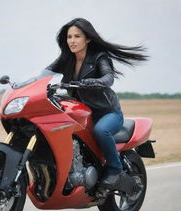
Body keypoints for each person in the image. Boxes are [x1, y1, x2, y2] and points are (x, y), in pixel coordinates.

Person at [47, 18, 148, 189]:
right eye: (69, 36)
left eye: (77, 36)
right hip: (83, 112)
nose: (72, 40)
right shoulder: (67, 59)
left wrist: (95, 81)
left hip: (108, 112)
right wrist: (26, 82)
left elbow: (108, 77)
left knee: (101, 131)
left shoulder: (99, 57)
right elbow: (46, 72)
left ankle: (115, 169)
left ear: (87, 39)